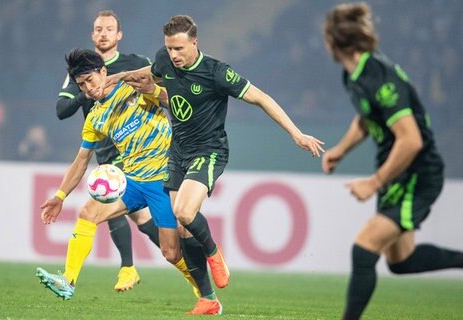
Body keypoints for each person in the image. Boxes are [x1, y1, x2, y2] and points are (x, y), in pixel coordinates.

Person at [108, 15, 325, 294]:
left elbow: (261, 98)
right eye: (170, 48)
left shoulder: (216, 72)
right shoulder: (164, 59)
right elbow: (153, 77)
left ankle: (213, 251)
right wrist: (116, 77)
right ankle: (207, 298)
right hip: (178, 151)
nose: (173, 55)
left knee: (185, 212)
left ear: (195, 43)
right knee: (183, 230)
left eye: (180, 49)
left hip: (208, 151)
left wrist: (296, 133)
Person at [36, 49, 221, 315]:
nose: (89, 88)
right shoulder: (94, 118)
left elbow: (171, 97)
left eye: (90, 79)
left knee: (170, 252)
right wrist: (60, 196)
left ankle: (205, 294)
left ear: (103, 71)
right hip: (132, 181)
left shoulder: (132, 86)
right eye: (81, 85)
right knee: (88, 213)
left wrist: (157, 92)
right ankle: (68, 280)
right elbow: (81, 161)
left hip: (165, 179)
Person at [321, 3, 463, 319]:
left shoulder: (377, 74)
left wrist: (374, 182)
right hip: (399, 171)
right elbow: (366, 118)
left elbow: (411, 140)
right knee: (401, 262)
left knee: (363, 249)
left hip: (416, 172)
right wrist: (341, 150)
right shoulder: (353, 74)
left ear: (333, 40)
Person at [54, 10, 156, 292]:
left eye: (109, 29)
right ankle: (184, 258)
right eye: (98, 29)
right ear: (92, 34)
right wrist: (84, 90)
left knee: (101, 204)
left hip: (135, 149)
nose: (103, 33)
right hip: (103, 147)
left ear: (118, 35)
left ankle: (124, 268)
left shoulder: (135, 63)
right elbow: (62, 110)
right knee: (142, 220)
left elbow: (159, 80)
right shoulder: (80, 73)